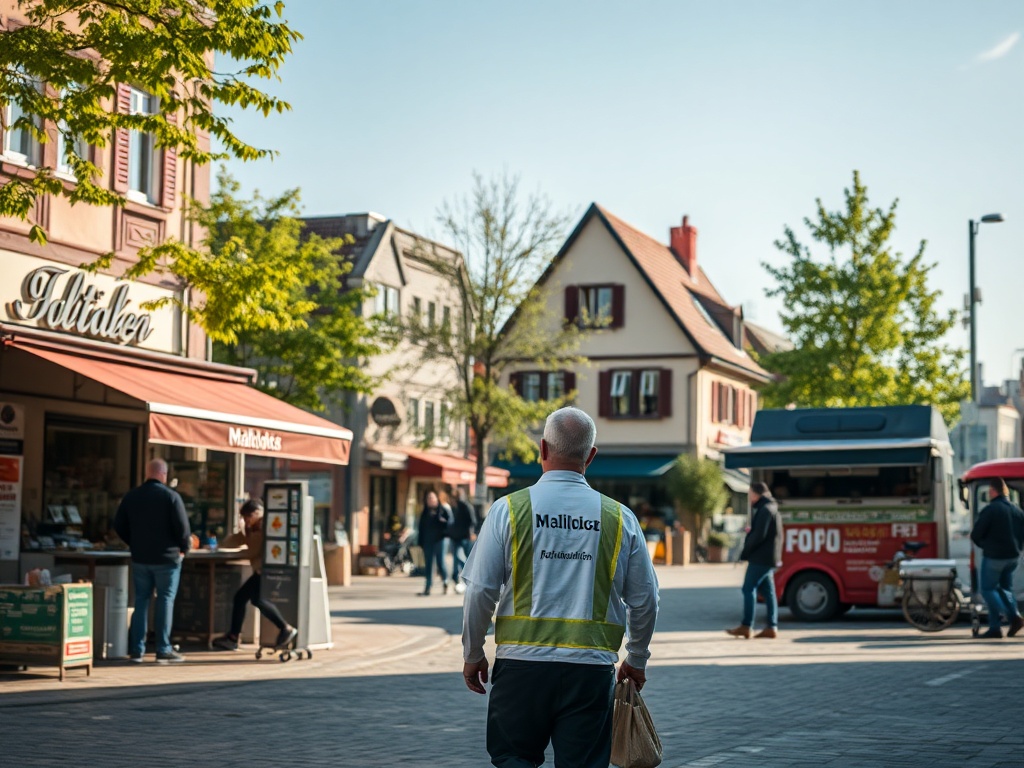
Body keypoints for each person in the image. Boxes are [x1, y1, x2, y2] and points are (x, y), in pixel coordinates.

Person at [461, 406, 659, 768]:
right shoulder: (620, 518)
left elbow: (480, 591)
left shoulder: (508, 510)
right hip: (590, 670)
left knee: (514, 758)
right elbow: (646, 600)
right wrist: (638, 658)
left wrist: (473, 652)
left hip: (521, 668)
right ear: (591, 455)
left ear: (543, 449)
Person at [114, 458, 191, 663]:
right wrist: (184, 549)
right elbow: (183, 529)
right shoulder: (171, 497)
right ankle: (162, 648)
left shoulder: (132, 496)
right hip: (167, 558)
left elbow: (118, 524)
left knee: (141, 601)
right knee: (165, 600)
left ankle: (137, 650)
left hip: (141, 558)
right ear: (163, 474)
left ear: (147, 473)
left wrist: (134, 542)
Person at [212, 499, 298, 651]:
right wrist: (219, 546)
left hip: (264, 572)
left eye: (248, 517)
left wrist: (235, 552)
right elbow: (239, 539)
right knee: (249, 599)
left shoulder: (264, 526)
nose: (246, 520)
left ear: (257, 513)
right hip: (260, 571)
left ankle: (285, 628)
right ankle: (233, 636)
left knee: (249, 599)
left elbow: (253, 550)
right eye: (244, 517)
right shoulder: (252, 527)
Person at [727, 481, 783, 640]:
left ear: (757, 494)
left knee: (748, 589)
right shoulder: (772, 508)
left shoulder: (765, 510)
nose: (749, 497)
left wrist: (745, 551)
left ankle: (746, 626)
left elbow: (758, 536)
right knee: (768, 592)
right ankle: (772, 627)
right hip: (769, 557)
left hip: (760, 558)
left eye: (750, 493)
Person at [970, 478, 1024, 639]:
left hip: (994, 557)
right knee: (1004, 589)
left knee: (987, 589)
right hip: (1013, 557)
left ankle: (1012, 616)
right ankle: (995, 628)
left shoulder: (990, 510)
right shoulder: (1017, 511)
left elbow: (976, 534)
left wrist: (985, 545)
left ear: (993, 491)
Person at [417, 490, 452, 595]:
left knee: (441, 562)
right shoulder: (425, 512)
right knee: (429, 564)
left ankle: (445, 582)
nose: (430, 500)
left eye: (432, 498)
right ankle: (428, 586)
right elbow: (421, 528)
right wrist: (420, 542)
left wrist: (443, 524)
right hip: (428, 541)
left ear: (437, 499)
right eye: (428, 498)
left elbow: (449, 524)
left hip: (441, 540)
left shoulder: (442, 510)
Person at [448, 487, 478, 593]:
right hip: (456, 536)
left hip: (464, 536)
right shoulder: (454, 507)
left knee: (460, 557)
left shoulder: (464, 505)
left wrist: (470, 533)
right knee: (458, 558)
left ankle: (466, 576)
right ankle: (458, 577)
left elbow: (472, 521)